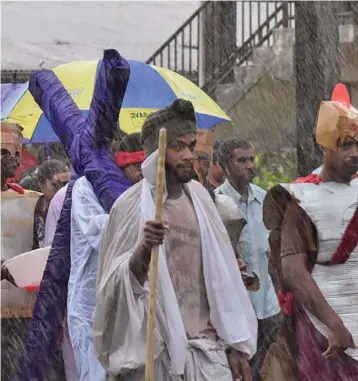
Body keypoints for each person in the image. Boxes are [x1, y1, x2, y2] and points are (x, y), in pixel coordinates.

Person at [94, 99, 257, 381]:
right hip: (156, 357)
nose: (188, 156)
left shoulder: (203, 201)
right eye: (177, 146)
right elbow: (113, 289)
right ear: (154, 152)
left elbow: (223, 281)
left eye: (191, 147)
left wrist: (235, 347)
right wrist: (144, 248)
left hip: (209, 354)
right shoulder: (129, 208)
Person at [15, 49, 132, 381]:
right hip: (82, 305)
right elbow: (56, 258)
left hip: (119, 305)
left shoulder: (129, 193)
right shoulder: (72, 197)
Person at [262, 95, 358, 380]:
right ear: (324, 146)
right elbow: (293, 272)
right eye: (346, 144)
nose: (355, 152)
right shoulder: (301, 201)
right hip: (323, 327)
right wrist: (333, 323)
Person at [68, 133, 144, 381]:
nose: (141, 173)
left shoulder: (141, 189)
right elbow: (102, 233)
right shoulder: (85, 186)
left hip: (128, 299)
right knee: (96, 373)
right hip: (90, 303)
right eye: (135, 167)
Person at [215, 138, 281, 381]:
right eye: (242, 160)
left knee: (269, 370)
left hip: (269, 306)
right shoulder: (215, 203)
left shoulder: (265, 199)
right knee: (241, 373)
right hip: (238, 311)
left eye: (252, 159)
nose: (250, 165)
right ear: (225, 164)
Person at [0, 121, 41, 381]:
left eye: (16, 153)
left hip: (22, 312)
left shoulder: (30, 200)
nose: (13, 160)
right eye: (5, 153)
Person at [33, 159, 70, 249]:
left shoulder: (70, 201)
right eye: (54, 185)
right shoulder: (40, 206)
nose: (60, 189)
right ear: (41, 185)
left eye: (64, 184)